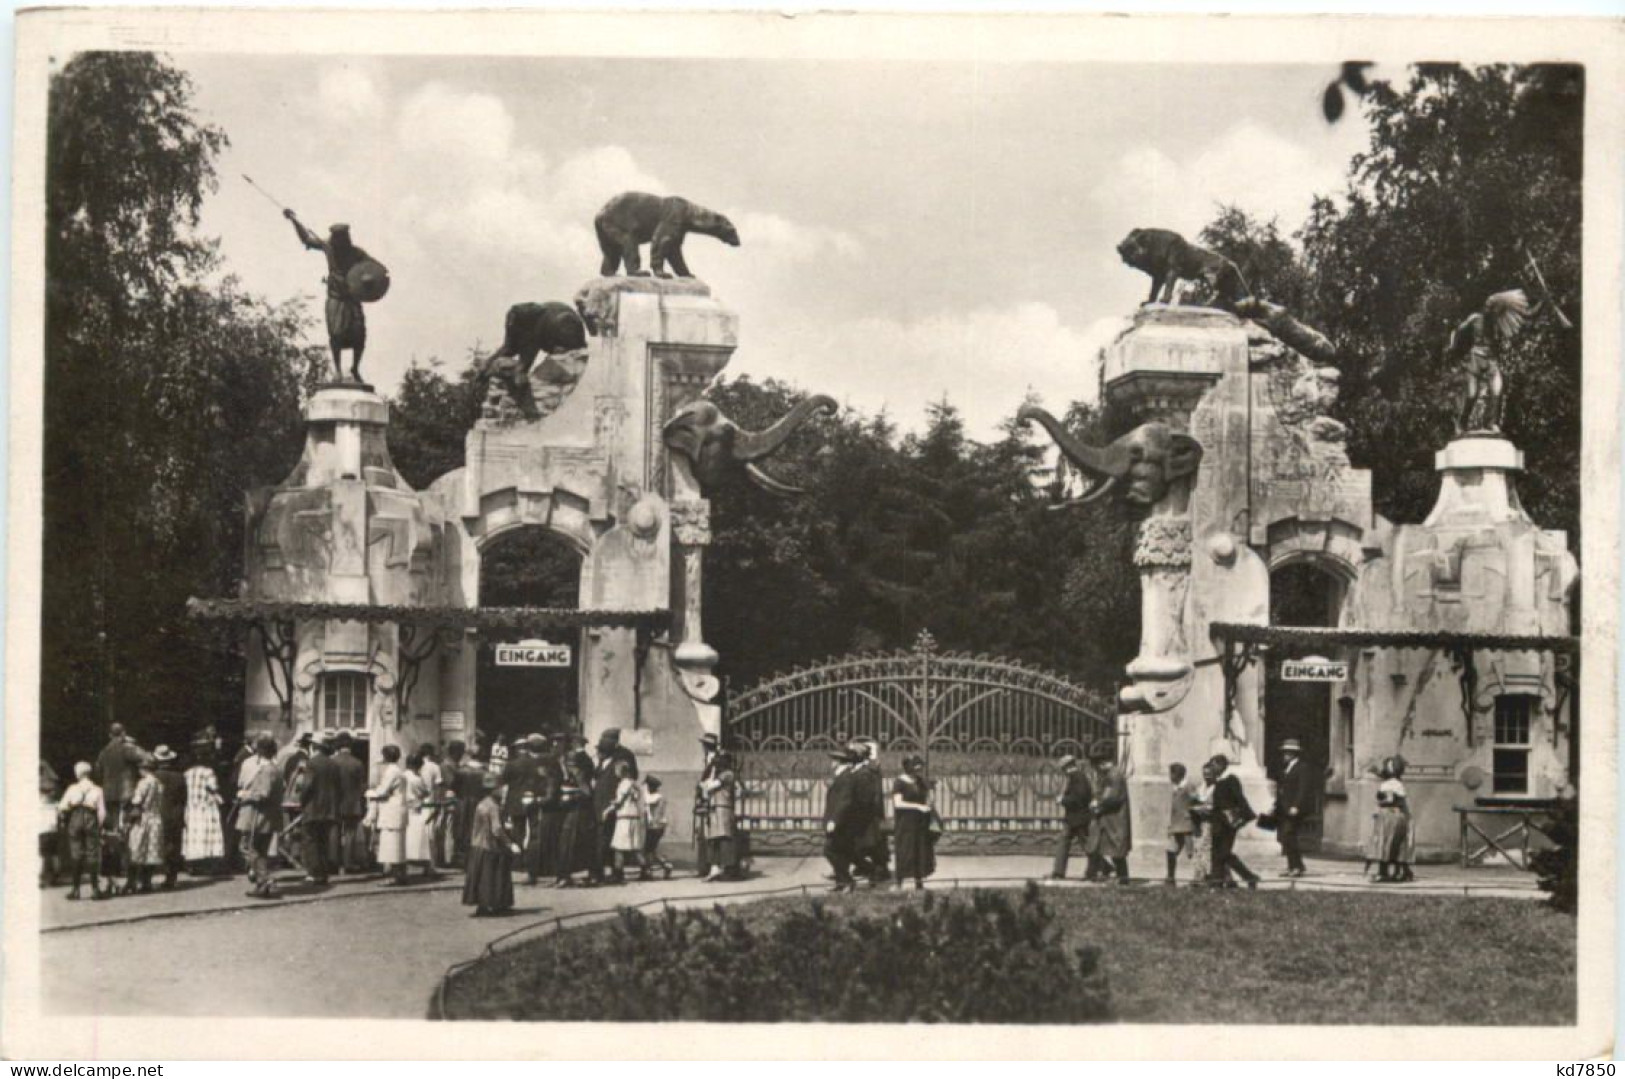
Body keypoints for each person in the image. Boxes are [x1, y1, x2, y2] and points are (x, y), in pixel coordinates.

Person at [285, 212, 374, 382]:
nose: (336, 241)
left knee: (359, 334)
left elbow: (372, 269)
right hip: (335, 297)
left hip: (351, 298)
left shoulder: (357, 253)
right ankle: (338, 370)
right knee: (336, 334)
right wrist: (295, 220)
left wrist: (367, 279)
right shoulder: (328, 247)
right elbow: (306, 239)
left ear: (346, 239)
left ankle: (355, 368)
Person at [236, 736, 286, 899]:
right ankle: (261, 883)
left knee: (248, 847)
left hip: (257, 816)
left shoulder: (266, 770)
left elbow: (262, 794)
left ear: (260, 751)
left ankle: (264, 880)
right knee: (261, 850)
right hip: (269, 816)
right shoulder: (276, 769)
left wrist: (245, 794)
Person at [463, 774, 519, 917]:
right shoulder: (494, 806)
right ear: (494, 789)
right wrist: (510, 843)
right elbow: (497, 829)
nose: (503, 790)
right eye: (500, 787)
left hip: (477, 845)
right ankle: (496, 904)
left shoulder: (482, 804)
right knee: (494, 876)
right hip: (491, 846)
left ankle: (482, 905)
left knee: (480, 877)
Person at [591, 729, 639, 883]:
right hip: (601, 802)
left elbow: (631, 776)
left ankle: (607, 872)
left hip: (613, 803)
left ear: (614, 741)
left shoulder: (625, 755)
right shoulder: (605, 756)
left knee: (608, 839)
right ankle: (607, 871)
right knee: (604, 838)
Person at [1206, 754, 1259, 890]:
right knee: (1217, 852)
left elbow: (1240, 798)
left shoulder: (1231, 780)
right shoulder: (1218, 781)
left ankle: (1248, 876)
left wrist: (1245, 816)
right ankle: (1216, 882)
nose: (1212, 768)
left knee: (1223, 852)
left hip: (1228, 823)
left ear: (1222, 765)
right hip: (1218, 822)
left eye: (1214, 765)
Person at [93, 724, 141, 870]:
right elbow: (149, 759)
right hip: (127, 793)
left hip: (108, 795)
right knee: (128, 829)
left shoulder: (103, 752)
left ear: (109, 735)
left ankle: (114, 865)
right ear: (124, 733)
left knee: (111, 832)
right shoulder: (127, 748)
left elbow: (97, 772)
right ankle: (129, 865)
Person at [58, 762, 107, 901]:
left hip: (75, 818)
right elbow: (102, 812)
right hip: (91, 818)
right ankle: (95, 890)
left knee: (76, 853)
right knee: (93, 853)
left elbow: (62, 806)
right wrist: (99, 825)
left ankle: (75, 890)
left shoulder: (72, 788)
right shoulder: (97, 789)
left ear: (77, 773)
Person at [299, 733, 343, 886]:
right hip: (330, 809)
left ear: (314, 746)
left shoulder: (312, 763)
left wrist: (301, 800)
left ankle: (313, 873)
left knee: (310, 840)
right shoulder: (334, 764)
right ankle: (323, 873)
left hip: (313, 808)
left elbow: (307, 786)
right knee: (324, 841)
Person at [891, 754, 937, 889]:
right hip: (905, 823)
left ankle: (919, 882)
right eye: (916, 768)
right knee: (905, 852)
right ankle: (899, 882)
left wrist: (931, 796)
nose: (918, 771)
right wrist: (918, 807)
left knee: (919, 851)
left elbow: (927, 798)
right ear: (908, 768)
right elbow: (898, 804)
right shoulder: (899, 782)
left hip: (920, 823)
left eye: (920, 768)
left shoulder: (920, 781)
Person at [122, 755, 165, 895]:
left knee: (136, 850)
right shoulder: (159, 783)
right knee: (150, 853)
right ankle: (147, 882)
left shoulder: (144, 783)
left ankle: (131, 882)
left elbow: (137, 801)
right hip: (156, 819)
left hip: (143, 819)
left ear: (143, 769)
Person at [848, 739, 889, 885]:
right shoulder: (866, 768)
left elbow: (874, 792)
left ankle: (879, 869)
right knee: (866, 841)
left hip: (870, 811)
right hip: (867, 811)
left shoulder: (871, 769)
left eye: (853, 753)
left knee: (872, 841)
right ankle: (866, 866)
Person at [554, 751, 598, 888]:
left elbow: (586, 793)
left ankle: (572, 875)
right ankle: (567, 875)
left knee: (571, 845)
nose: (569, 767)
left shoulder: (580, 777)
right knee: (567, 845)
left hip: (578, 816)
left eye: (571, 765)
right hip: (571, 814)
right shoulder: (571, 777)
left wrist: (572, 797)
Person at [182, 740, 226, 875]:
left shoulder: (187, 773)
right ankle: (208, 863)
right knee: (207, 834)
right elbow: (213, 788)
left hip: (191, 806)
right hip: (205, 807)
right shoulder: (208, 772)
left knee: (193, 835)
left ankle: (192, 864)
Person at [823, 749, 863, 893]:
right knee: (841, 852)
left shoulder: (846, 777)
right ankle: (841, 883)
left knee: (829, 850)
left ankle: (847, 881)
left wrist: (834, 820)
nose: (831, 763)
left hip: (842, 823)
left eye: (833, 760)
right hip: (841, 821)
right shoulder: (841, 776)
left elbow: (845, 801)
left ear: (839, 762)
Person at [698, 747, 741, 883]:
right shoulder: (721, 775)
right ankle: (715, 869)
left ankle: (727, 868)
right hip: (716, 809)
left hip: (723, 809)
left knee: (724, 839)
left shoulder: (727, 774)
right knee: (714, 839)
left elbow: (708, 786)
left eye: (720, 761)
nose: (718, 763)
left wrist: (711, 772)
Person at [1050, 754, 1093, 880]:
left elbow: (1079, 798)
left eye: (1064, 768)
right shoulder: (1076, 777)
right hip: (1073, 818)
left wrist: (1062, 800)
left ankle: (1104, 867)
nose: (1063, 771)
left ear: (1068, 767)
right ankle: (1058, 872)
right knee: (1064, 842)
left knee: (1087, 845)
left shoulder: (1078, 777)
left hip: (1079, 818)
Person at [371, 744, 409, 886]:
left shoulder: (391, 771)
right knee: (397, 845)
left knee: (391, 845)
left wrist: (370, 793)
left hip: (392, 811)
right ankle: (401, 875)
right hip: (397, 810)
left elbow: (382, 791)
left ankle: (395, 877)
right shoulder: (399, 770)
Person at [1273, 738, 1312, 878]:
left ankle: (1297, 866)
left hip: (1294, 809)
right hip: (1284, 808)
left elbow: (1303, 789)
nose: (1285, 755)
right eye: (1284, 752)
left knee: (1289, 835)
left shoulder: (1302, 768)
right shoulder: (1287, 768)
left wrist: (1296, 806)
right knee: (1286, 837)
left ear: (1294, 754)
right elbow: (1283, 789)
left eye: (1287, 753)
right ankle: (1293, 866)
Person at [1374, 756, 1415, 883]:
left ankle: (1395, 871)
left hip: (1394, 815)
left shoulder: (1395, 785)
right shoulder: (1390, 784)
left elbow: (1395, 801)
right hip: (1390, 815)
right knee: (1390, 843)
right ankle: (1395, 871)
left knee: (1391, 843)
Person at [332, 731, 369, 874]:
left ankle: (334, 863)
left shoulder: (332, 761)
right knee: (350, 834)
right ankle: (347, 863)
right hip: (352, 804)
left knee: (334, 832)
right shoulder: (357, 763)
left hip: (335, 803)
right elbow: (362, 786)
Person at [606, 759, 647, 884]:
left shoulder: (624, 784)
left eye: (616, 770)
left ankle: (618, 874)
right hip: (634, 816)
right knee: (636, 847)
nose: (615, 773)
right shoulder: (634, 784)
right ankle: (645, 870)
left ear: (622, 771)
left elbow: (620, 801)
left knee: (619, 847)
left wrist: (608, 809)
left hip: (624, 817)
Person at [152, 746, 187, 889]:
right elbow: (184, 798)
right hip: (176, 814)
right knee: (175, 845)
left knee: (161, 844)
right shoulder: (180, 776)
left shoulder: (154, 776)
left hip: (160, 813)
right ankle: (172, 876)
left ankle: (162, 873)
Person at [403, 752, 440, 882]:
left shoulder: (402, 776)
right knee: (422, 842)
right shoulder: (416, 779)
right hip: (416, 811)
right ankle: (428, 867)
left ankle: (403, 868)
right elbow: (425, 792)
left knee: (405, 842)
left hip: (405, 811)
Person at [1165, 762, 1198, 885]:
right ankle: (1170, 877)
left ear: (1176, 775)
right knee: (1170, 850)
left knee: (1191, 853)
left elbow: (1197, 800)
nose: (1169, 777)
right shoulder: (1176, 788)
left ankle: (1198, 877)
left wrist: (1190, 813)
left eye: (1171, 774)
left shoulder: (1188, 786)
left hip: (1186, 826)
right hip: (1177, 826)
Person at [641, 775, 674, 880]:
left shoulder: (657, 797)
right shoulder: (656, 796)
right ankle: (665, 865)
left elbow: (647, 800)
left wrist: (644, 789)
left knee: (648, 850)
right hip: (654, 826)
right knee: (651, 850)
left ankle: (649, 871)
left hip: (656, 826)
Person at [40, 761, 62, 888]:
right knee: (54, 854)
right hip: (53, 829)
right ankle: (55, 876)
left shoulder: (38, 803)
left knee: (42, 855)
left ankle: (41, 877)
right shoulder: (55, 804)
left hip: (41, 829)